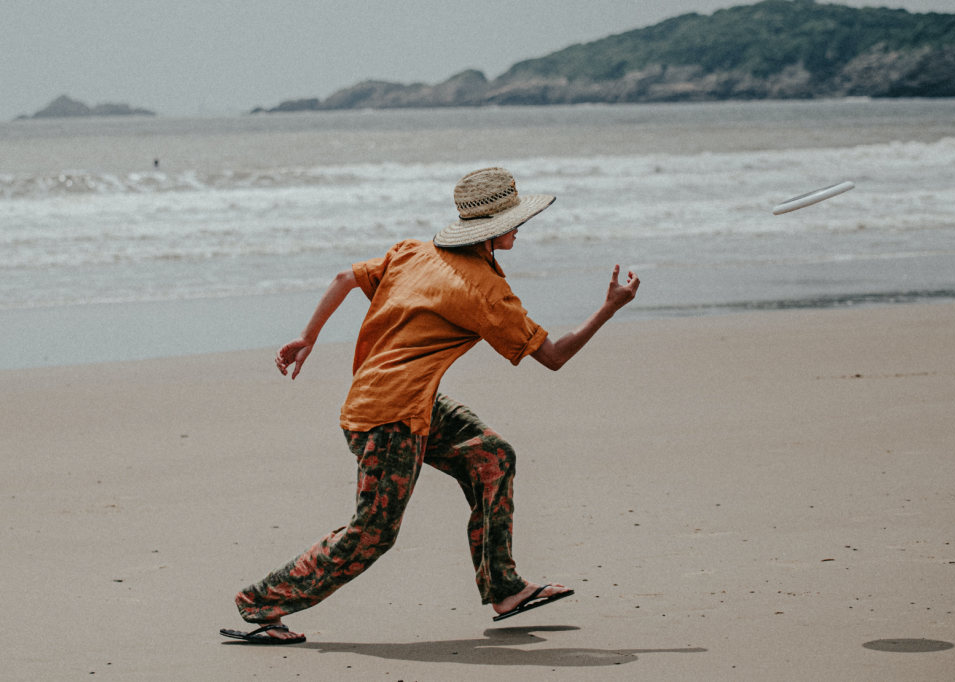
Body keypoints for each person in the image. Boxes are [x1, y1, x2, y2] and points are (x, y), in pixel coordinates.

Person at [220, 167, 640, 644]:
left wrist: (307, 337)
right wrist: (610, 308)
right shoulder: (484, 291)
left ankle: (504, 588)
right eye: (515, 219)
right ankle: (259, 604)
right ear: (492, 229)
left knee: (491, 457)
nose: (520, 227)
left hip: (400, 400)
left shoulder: (413, 252)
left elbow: (344, 277)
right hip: (389, 419)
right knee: (373, 532)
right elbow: (555, 356)